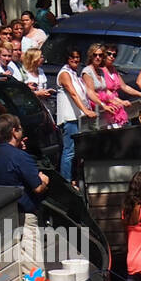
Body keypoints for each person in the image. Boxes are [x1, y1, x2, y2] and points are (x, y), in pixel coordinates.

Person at [55, 48, 94, 185]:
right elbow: (72, 94)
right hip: (69, 118)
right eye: (72, 57)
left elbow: (84, 94)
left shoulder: (75, 74)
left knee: (77, 152)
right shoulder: (65, 74)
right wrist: (86, 110)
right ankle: (65, 182)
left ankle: (75, 179)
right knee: (69, 151)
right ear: (67, 58)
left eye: (77, 57)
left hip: (79, 118)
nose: (75, 60)